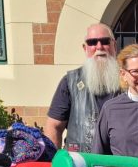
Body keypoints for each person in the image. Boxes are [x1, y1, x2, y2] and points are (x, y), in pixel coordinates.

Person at [45, 23, 121, 151]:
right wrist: (55, 163)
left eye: (105, 41)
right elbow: (54, 126)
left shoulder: (128, 80)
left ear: (114, 45)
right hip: (80, 164)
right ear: (85, 48)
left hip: (118, 164)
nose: (99, 47)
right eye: (92, 42)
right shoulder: (70, 82)